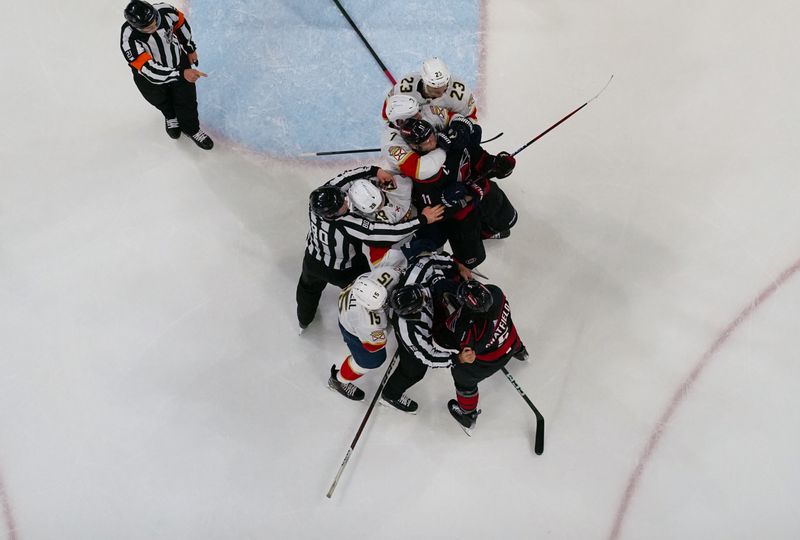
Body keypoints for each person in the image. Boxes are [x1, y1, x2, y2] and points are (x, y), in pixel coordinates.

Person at [296, 166, 444, 329]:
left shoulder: (316, 203)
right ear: (331, 215)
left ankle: (304, 320)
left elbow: (347, 176)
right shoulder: (348, 224)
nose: (346, 201)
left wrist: (376, 171)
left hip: (312, 259)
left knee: (307, 288)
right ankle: (379, 320)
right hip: (344, 270)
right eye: (342, 205)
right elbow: (388, 233)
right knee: (371, 291)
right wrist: (422, 220)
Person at [379, 253, 471, 413]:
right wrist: (457, 359)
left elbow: (428, 261)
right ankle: (390, 395)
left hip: (426, 319)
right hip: (412, 342)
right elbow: (429, 356)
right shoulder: (411, 332)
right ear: (412, 313)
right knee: (414, 371)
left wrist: (457, 266)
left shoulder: (414, 277)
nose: (425, 294)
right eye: (422, 300)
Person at [438, 280, 529, 434]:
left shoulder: (467, 331)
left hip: (491, 360)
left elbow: (467, 353)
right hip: (510, 342)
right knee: (508, 329)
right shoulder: (496, 292)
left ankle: (468, 415)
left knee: (462, 376)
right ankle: (521, 352)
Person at [120, 0, 213, 149]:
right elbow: (149, 70)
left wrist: (189, 48)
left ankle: (192, 129)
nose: (154, 26)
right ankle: (170, 116)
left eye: (155, 22)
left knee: (187, 100)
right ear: (136, 27)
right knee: (160, 99)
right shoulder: (128, 39)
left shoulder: (165, 11)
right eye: (148, 28)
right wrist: (181, 74)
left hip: (178, 62)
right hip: (149, 77)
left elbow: (180, 23)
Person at [328, 267, 401, 401]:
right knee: (371, 361)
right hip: (352, 329)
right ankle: (338, 380)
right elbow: (375, 345)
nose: (386, 302)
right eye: (383, 304)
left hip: (347, 309)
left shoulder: (376, 280)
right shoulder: (365, 321)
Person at [381, 57, 478, 122]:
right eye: (435, 88)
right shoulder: (405, 88)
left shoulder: (460, 92)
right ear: (424, 82)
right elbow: (387, 115)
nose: (440, 93)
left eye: (444, 86)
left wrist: (463, 129)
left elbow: (471, 117)